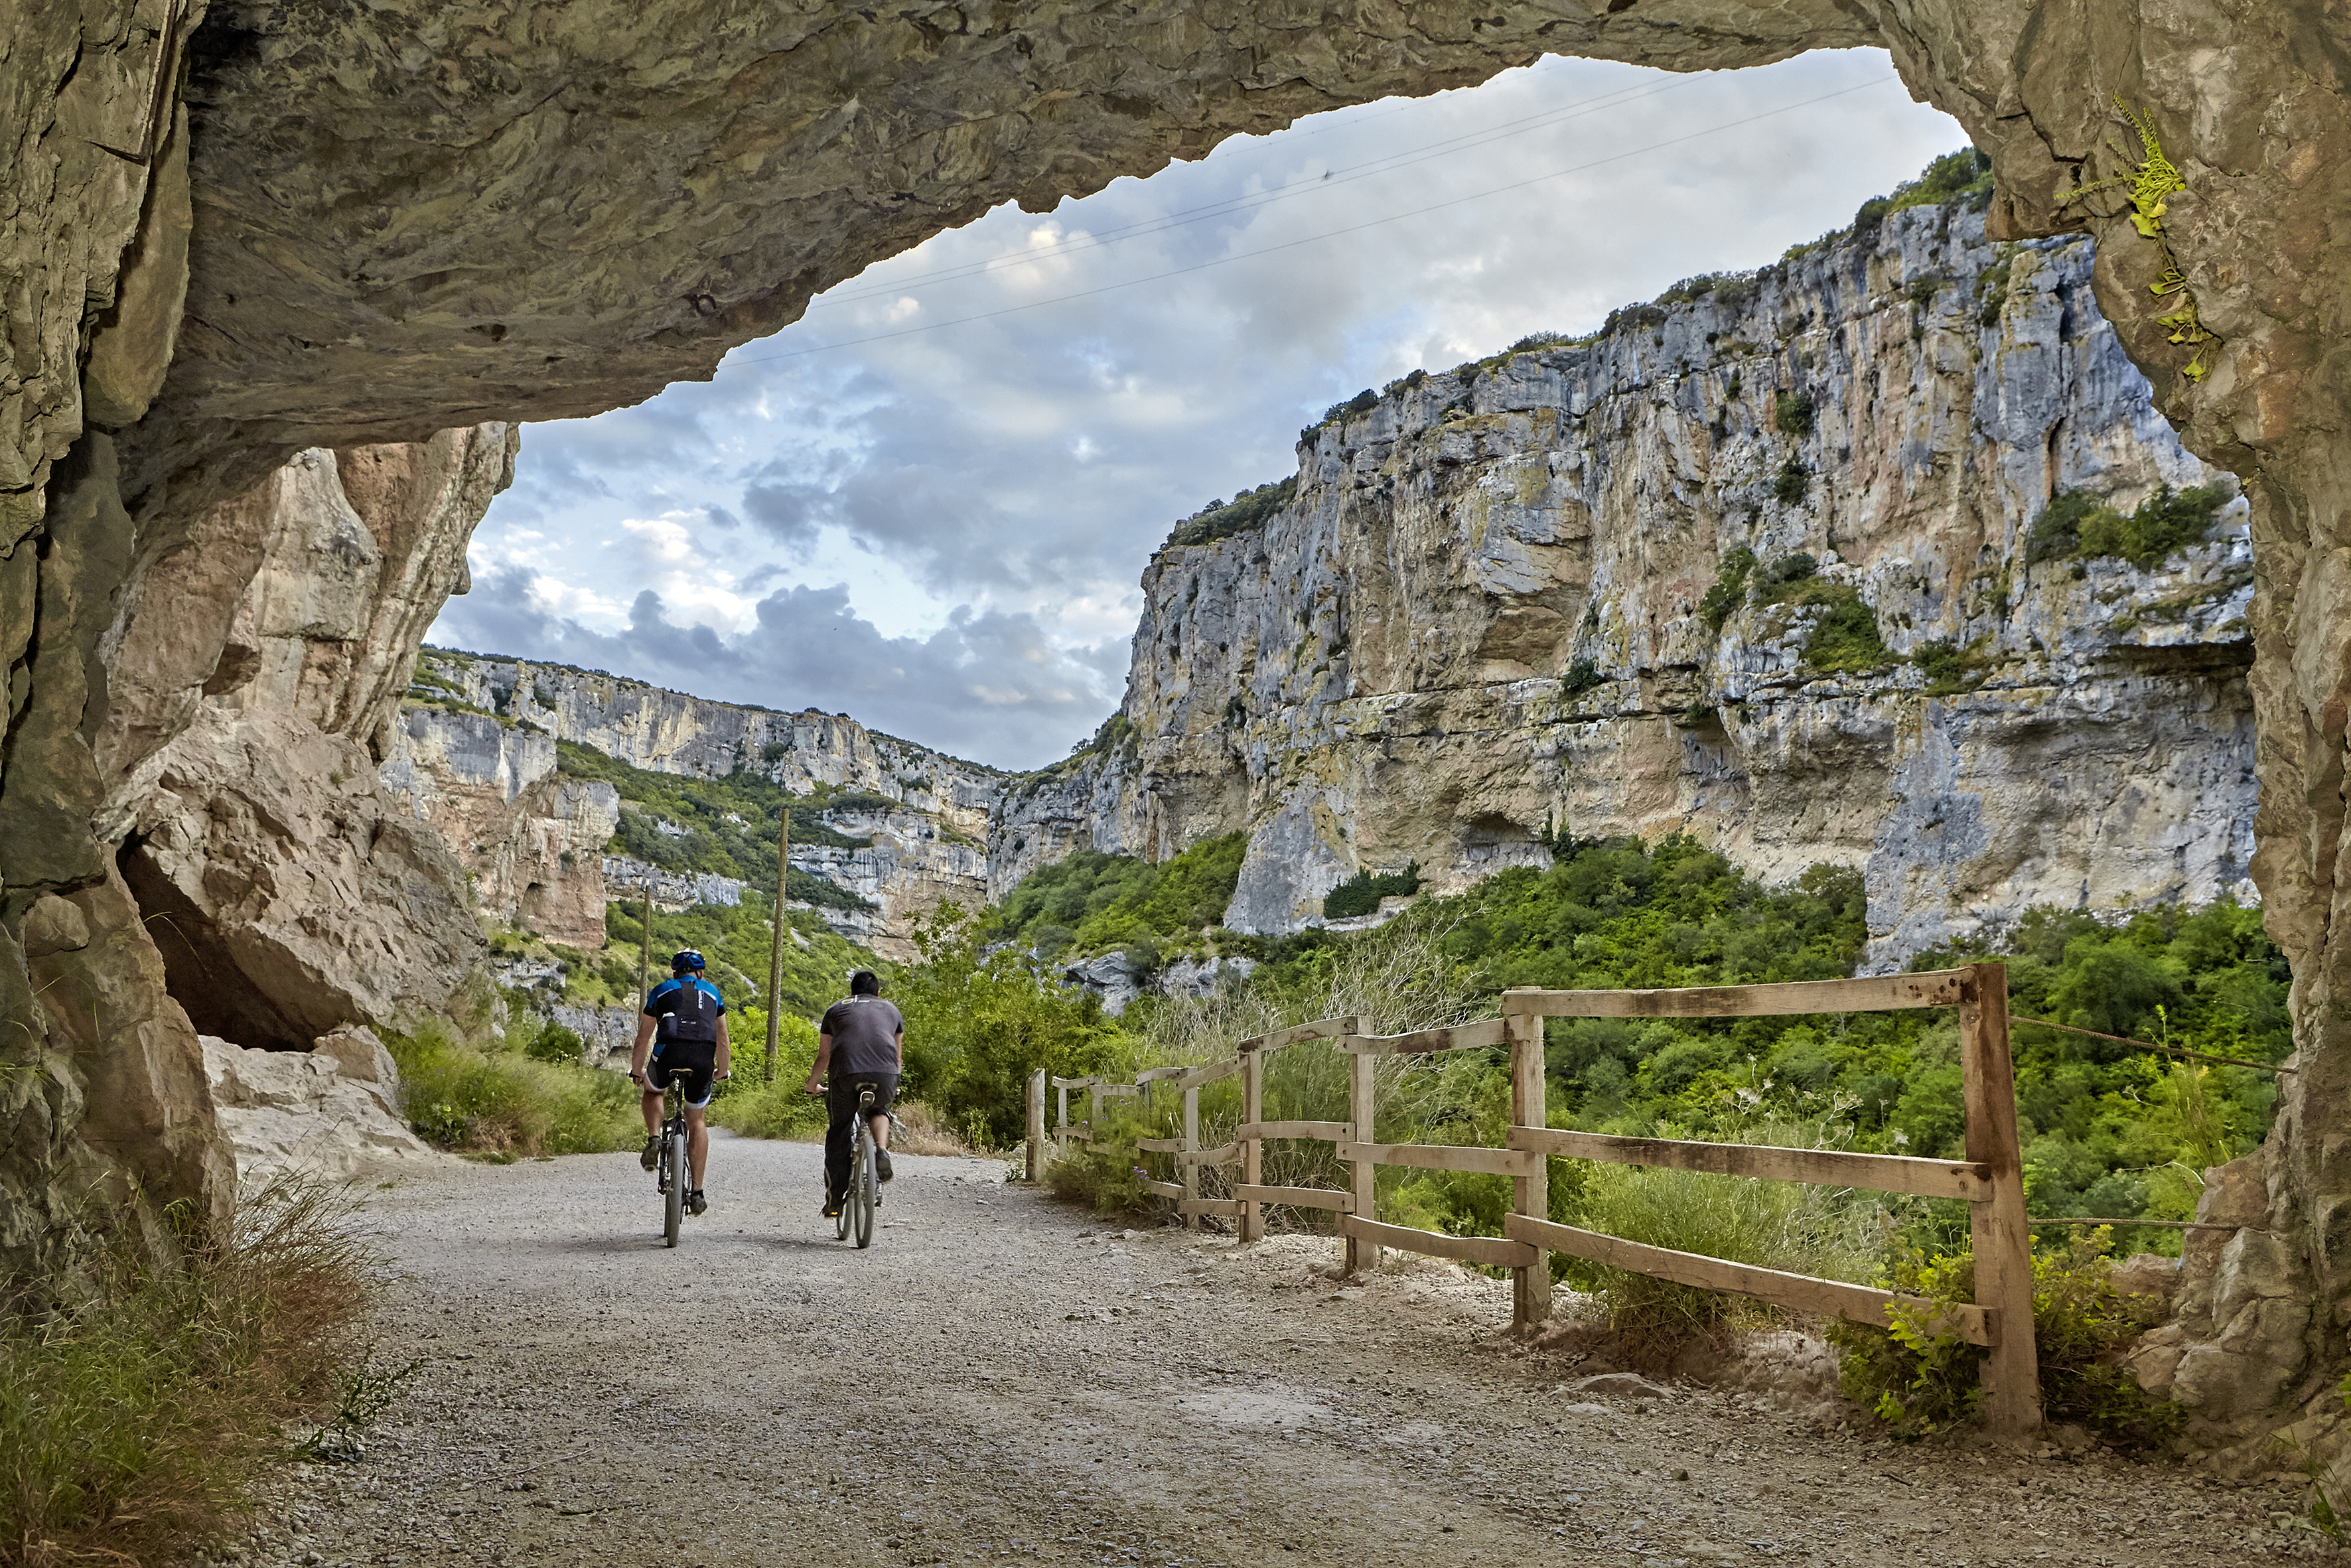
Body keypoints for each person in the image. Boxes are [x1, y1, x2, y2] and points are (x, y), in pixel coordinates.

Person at [632, 949, 731, 1217]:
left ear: (675, 973)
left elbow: (643, 1037)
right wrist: (722, 1070)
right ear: (700, 973)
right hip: (702, 1056)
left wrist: (636, 1070)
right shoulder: (712, 992)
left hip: (668, 1052)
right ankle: (697, 1192)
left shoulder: (662, 990)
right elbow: (722, 1038)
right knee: (696, 1119)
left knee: (653, 1091)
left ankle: (654, 1140)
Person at [804, 969, 902, 1217]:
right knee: (879, 1108)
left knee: (839, 1132)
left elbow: (824, 1056)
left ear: (852, 992)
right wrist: (891, 1082)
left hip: (847, 1075)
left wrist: (812, 1085)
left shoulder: (836, 1009)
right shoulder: (892, 1010)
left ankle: (836, 1201)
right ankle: (881, 1150)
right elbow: (898, 1056)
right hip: (886, 1074)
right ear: (878, 993)